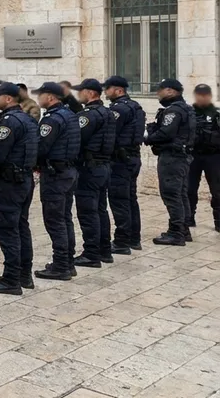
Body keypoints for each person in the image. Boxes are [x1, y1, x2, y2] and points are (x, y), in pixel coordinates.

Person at [0, 83, 38, 294]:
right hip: (24, 179)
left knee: (8, 231)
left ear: (8, 99)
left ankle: (11, 279)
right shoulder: (27, 119)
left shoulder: (8, 122)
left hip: (9, 183)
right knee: (21, 228)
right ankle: (25, 274)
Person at [33, 81, 81, 280]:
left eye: (41, 95)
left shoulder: (51, 120)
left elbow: (42, 148)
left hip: (55, 175)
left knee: (55, 221)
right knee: (65, 218)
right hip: (69, 172)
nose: (38, 98)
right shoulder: (70, 114)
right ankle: (67, 262)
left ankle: (61, 265)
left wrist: (33, 163)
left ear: (50, 97)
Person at [71, 79, 116, 268]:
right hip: (104, 166)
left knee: (88, 211)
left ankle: (91, 253)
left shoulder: (88, 115)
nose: (78, 95)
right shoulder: (107, 112)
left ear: (89, 93)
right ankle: (104, 250)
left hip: (89, 168)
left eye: (80, 91)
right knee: (100, 209)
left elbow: (77, 138)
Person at [146, 78, 195, 246]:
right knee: (180, 194)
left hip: (172, 158)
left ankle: (176, 233)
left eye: (160, 90)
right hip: (181, 156)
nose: (158, 93)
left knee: (171, 194)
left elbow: (166, 133)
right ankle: (183, 229)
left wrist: (148, 137)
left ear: (170, 91)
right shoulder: (186, 109)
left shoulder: (173, 111)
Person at [103, 76, 146, 253]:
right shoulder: (136, 106)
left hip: (121, 161)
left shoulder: (119, 109)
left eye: (108, 89)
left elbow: (110, 133)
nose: (106, 92)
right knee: (130, 199)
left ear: (118, 90)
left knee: (119, 200)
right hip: (133, 157)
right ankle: (134, 238)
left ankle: (122, 242)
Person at [188, 84, 220, 231]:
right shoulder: (189, 113)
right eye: (199, 94)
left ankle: (218, 221)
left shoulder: (216, 114)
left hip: (213, 157)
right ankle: (188, 218)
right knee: (189, 189)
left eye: (205, 94)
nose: (202, 97)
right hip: (193, 155)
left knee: (217, 190)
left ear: (210, 96)